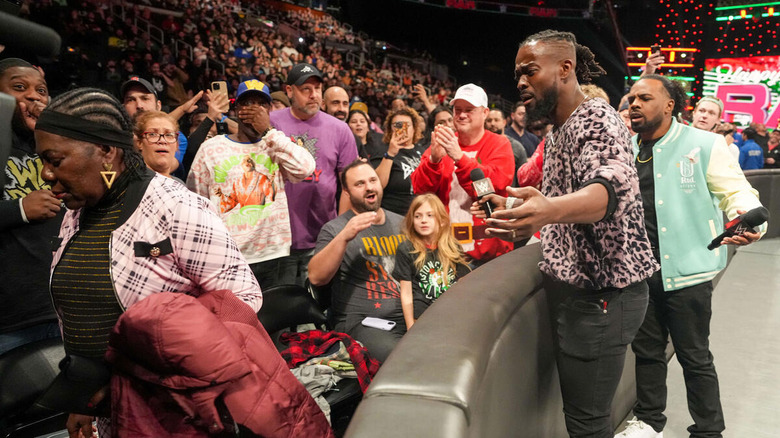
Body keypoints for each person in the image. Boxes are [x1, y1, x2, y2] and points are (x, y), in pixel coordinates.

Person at [34, 87, 264, 437]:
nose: (46, 175)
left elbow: (242, 301)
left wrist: (143, 380)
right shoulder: (77, 212)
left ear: (106, 151)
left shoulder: (175, 206)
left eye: (56, 160)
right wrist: (83, 401)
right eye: (43, 162)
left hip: (179, 416)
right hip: (110, 416)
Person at [475, 30, 659, 438]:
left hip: (603, 296)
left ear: (565, 68)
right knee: (580, 416)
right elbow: (564, 200)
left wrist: (548, 211)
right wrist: (519, 207)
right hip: (582, 295)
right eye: (517, 73)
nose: (520, 82)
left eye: (530, 71)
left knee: (587, 423)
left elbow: (610, 189)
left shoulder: (597, 116)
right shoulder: (558, 129)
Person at [615, 74, 765, 438]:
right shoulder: (622, 147)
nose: (634, 104)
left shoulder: (705, 144)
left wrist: (751, 221)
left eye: (645, 98)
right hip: (639, 272)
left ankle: (709, 430)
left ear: (669, 104)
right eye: (631, 98)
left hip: (689, 272)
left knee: (694, 356)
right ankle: (650, 422)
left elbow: (737, 193)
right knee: (647, 353)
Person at [188, 79, 315, 290]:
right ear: (237, 109)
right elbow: (197, 202)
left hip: (274, 253)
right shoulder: (210, 148)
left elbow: (306, 168)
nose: (254, 110)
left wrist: (268, 132)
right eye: (247, 104)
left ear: (269, 110)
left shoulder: (275, 144)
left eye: (261, 104)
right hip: (230, 257)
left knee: (275, 321)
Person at [308, 161, 407, 362]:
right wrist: (344, 237)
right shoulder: (335, 229)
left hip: (407, 313)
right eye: (359, 184)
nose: (369, 187)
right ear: (346, 191)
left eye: (373, 180)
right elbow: (316, 278)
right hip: (363, 322)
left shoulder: (402, 223)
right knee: (401, 359)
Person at [269, 63, 358, 287]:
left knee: (318, 307)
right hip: (278, 236)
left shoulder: (340, 129)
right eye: (305, 89)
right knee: (282, 308)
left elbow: (349, 184)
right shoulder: (273, 122)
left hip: (322, 234)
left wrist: (338, 231)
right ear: (289, 91)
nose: (313, 95)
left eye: (317, 89)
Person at [411, 83, 515, 266]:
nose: (462, 115)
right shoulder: (441, 144)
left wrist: (460, 158)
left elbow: (492, 189)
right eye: (457, 109)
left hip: (490, 254)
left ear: (484, 113)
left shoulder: (500, 144)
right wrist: (433, 161)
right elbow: (421, 192)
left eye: (469, 109)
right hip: (445, 249)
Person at [0, 58, 62, 354]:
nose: (34, 96)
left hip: (61, 311)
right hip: (9, 322)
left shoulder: (55, 151)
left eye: (41, 90)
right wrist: (19, 209)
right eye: (19, 87)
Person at [393, 194, 470, 330]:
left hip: (450, 314)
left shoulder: (453, 246)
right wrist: (410, 327)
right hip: (422, 317)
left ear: (441, 220)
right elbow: (406, 294)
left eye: (430, 215)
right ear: (412, 220)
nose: (423, 220)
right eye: (418, 216)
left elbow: (464, 284)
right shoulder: (406, 249)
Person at [365, 107, 426, 215]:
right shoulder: (382, 152)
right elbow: (377, 186)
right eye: (398, 125)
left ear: (414, 128)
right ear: (390, 129)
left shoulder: (424, 152)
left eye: (407, 125)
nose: (403, 128)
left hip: (422, 215)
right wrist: (390, 154)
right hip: (394, 215)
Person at [485, 108, 528, 185]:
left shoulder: (516, 147)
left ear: (504, 122)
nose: (492, 123)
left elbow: (523, 179)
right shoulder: (481, 145)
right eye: (489, 120)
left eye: (496, 120)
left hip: (509, 195)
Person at [133, 111, 180, 179]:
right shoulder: (129, 185)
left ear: (177, 145)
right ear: (140, 143)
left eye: (169, 135)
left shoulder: (181, 185)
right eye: (152, 134)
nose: (162, 141)